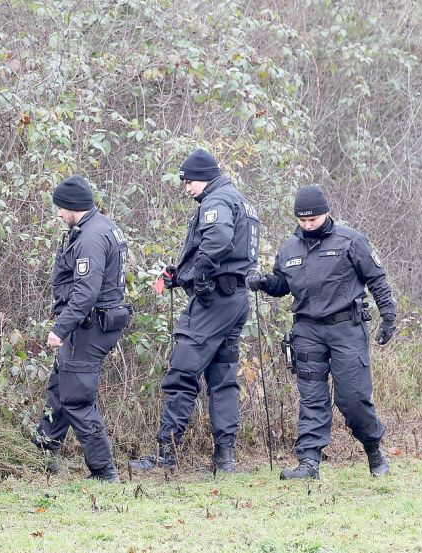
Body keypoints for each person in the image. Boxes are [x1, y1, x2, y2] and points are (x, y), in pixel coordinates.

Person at [247, 185, 396, 480]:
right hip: (307, 329)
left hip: (346, 327)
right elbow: (282, 285)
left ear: (325, 213)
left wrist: (388, 316)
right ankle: (308, 462)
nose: (307, 225)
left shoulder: (350, 240)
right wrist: (263, 281)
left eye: (312, 220)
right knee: (311, 397)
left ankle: (372, 446)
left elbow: (376, 278)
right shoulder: (289, 247)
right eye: (302, 221)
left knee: (352, 398)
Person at [131, 148, 260, 474]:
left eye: (189, 181)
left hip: (213, 302)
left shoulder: (216, 202)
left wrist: (200, 276)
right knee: (223, 378)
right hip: (235, 298)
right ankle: (224, 459)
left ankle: (165, 455)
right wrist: (183, 275)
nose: (187, 187)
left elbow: (217, 241)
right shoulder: (239, 200)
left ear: (205, 177)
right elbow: (228, 253)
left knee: (182, 373)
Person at [32, 175, 131, 483]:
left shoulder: (90, 237)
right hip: (92, 323)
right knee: (60, 388)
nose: (58, 214)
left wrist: (60, 328)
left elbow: (86, 293)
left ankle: (104, 471)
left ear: (72, 206)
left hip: (88, 327)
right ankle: (43, 454)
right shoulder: (99, 227)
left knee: (76, 398)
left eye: (60, 208)